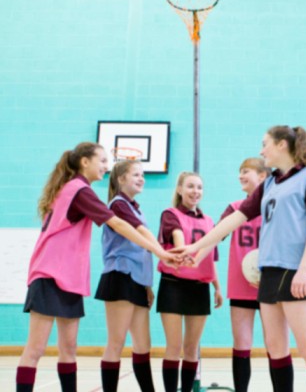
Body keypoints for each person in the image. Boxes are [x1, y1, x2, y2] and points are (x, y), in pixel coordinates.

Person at [174, 126, 306, 392]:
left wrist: (305, 268)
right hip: (268, 273)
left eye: (265, 144)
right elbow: (233, 220)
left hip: (295, 271)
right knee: (276, 348)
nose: (262, 151)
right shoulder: (269, 184)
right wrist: (195, 247)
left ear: (282, 145)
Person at [16, 142, 176, 392]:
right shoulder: (79, 189)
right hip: (49, 273)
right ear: (84, 162)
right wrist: (160, 252)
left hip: (69, 277)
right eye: (101, 161)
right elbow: (118, 224)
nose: (105, 166)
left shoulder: (80, 189)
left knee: (69, 348)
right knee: (35, 349)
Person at [95, 159, 179, 392]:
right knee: (116, 342)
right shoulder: (118, 205)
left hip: (137, 281)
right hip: (120, 276)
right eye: (136, 175)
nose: (141, 179)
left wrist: (147, 286)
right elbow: (141, 233)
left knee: (143, 344)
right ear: (121, 178)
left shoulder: (135, 208)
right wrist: (163, 253)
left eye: (142, 175)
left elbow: (142, 250)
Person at [157, 171, 223, 392]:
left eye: (199, 187)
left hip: (199, 287)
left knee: (192, 348)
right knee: (174, 347)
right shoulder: (170, 214)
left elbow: (211, 258)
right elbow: (178, 236)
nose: (195, 191)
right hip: (173, 284)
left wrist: (217, 287)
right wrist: (183, 252)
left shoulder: (209, 221)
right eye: (190, 186)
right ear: (179, 189)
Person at [219, 158, 269, 392]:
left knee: (275, 344)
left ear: (262, 176)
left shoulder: (274, 206)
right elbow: (217, 234)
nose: (240, 176)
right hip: (240, 283)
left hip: (270, 284)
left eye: (245, 171)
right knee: (242, 343)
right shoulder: (234, 207)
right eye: (240, 171)